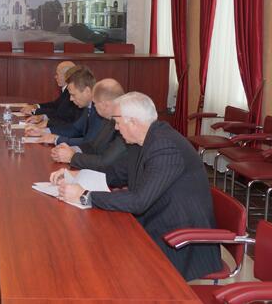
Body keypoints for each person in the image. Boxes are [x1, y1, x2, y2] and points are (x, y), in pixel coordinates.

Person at [50, 92, 222, 281]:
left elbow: (139, 201)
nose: (116, 128)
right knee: (93, 243)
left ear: (133, 121)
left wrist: (85, 196)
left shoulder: (165, 147)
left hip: (179, 240)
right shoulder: (141, 140)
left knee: (104, 262)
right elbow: (116, 173)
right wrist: (77, 175)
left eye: (117, 122)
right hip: (153, 222)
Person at [49, 78, 126, 169]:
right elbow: (93, 146)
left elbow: (105, 162)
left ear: (104, 105)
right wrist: (73, 150)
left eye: (95, 103)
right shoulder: (109, 119)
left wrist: (72, 157)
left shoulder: (124, 125)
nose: (94, 107)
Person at [26, 66, 104, 148]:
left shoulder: (101, 111)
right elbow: (74, 129)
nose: (70, 99)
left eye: (73, 95)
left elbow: (91, 142)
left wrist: (56, 139)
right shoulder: (89, 106)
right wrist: (43, 132)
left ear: (87, 91)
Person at [21, 61, 83, 126]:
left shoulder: (70, 92)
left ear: (66, 75)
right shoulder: (66, 90)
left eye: (57, 74)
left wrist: (35, 111)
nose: (55, 77)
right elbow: (55, 105)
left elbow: (61, 113)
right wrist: (36, 106)